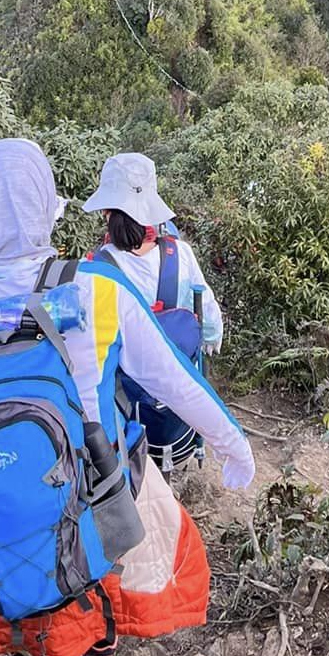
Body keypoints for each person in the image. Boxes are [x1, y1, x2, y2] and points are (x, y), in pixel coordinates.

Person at [0, 137, 254, 656]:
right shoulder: (96, 290)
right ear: (50, 209)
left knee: (21, 563)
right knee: (109, 551)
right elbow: (175, 381)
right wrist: (233, 445)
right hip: (97, 497)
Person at [83, 152, 224, 473]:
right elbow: (210, 317)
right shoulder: (181, 255)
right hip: (176, 400)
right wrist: (212, 338)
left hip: (126, 403)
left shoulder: (97, 268)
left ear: (106, 211)